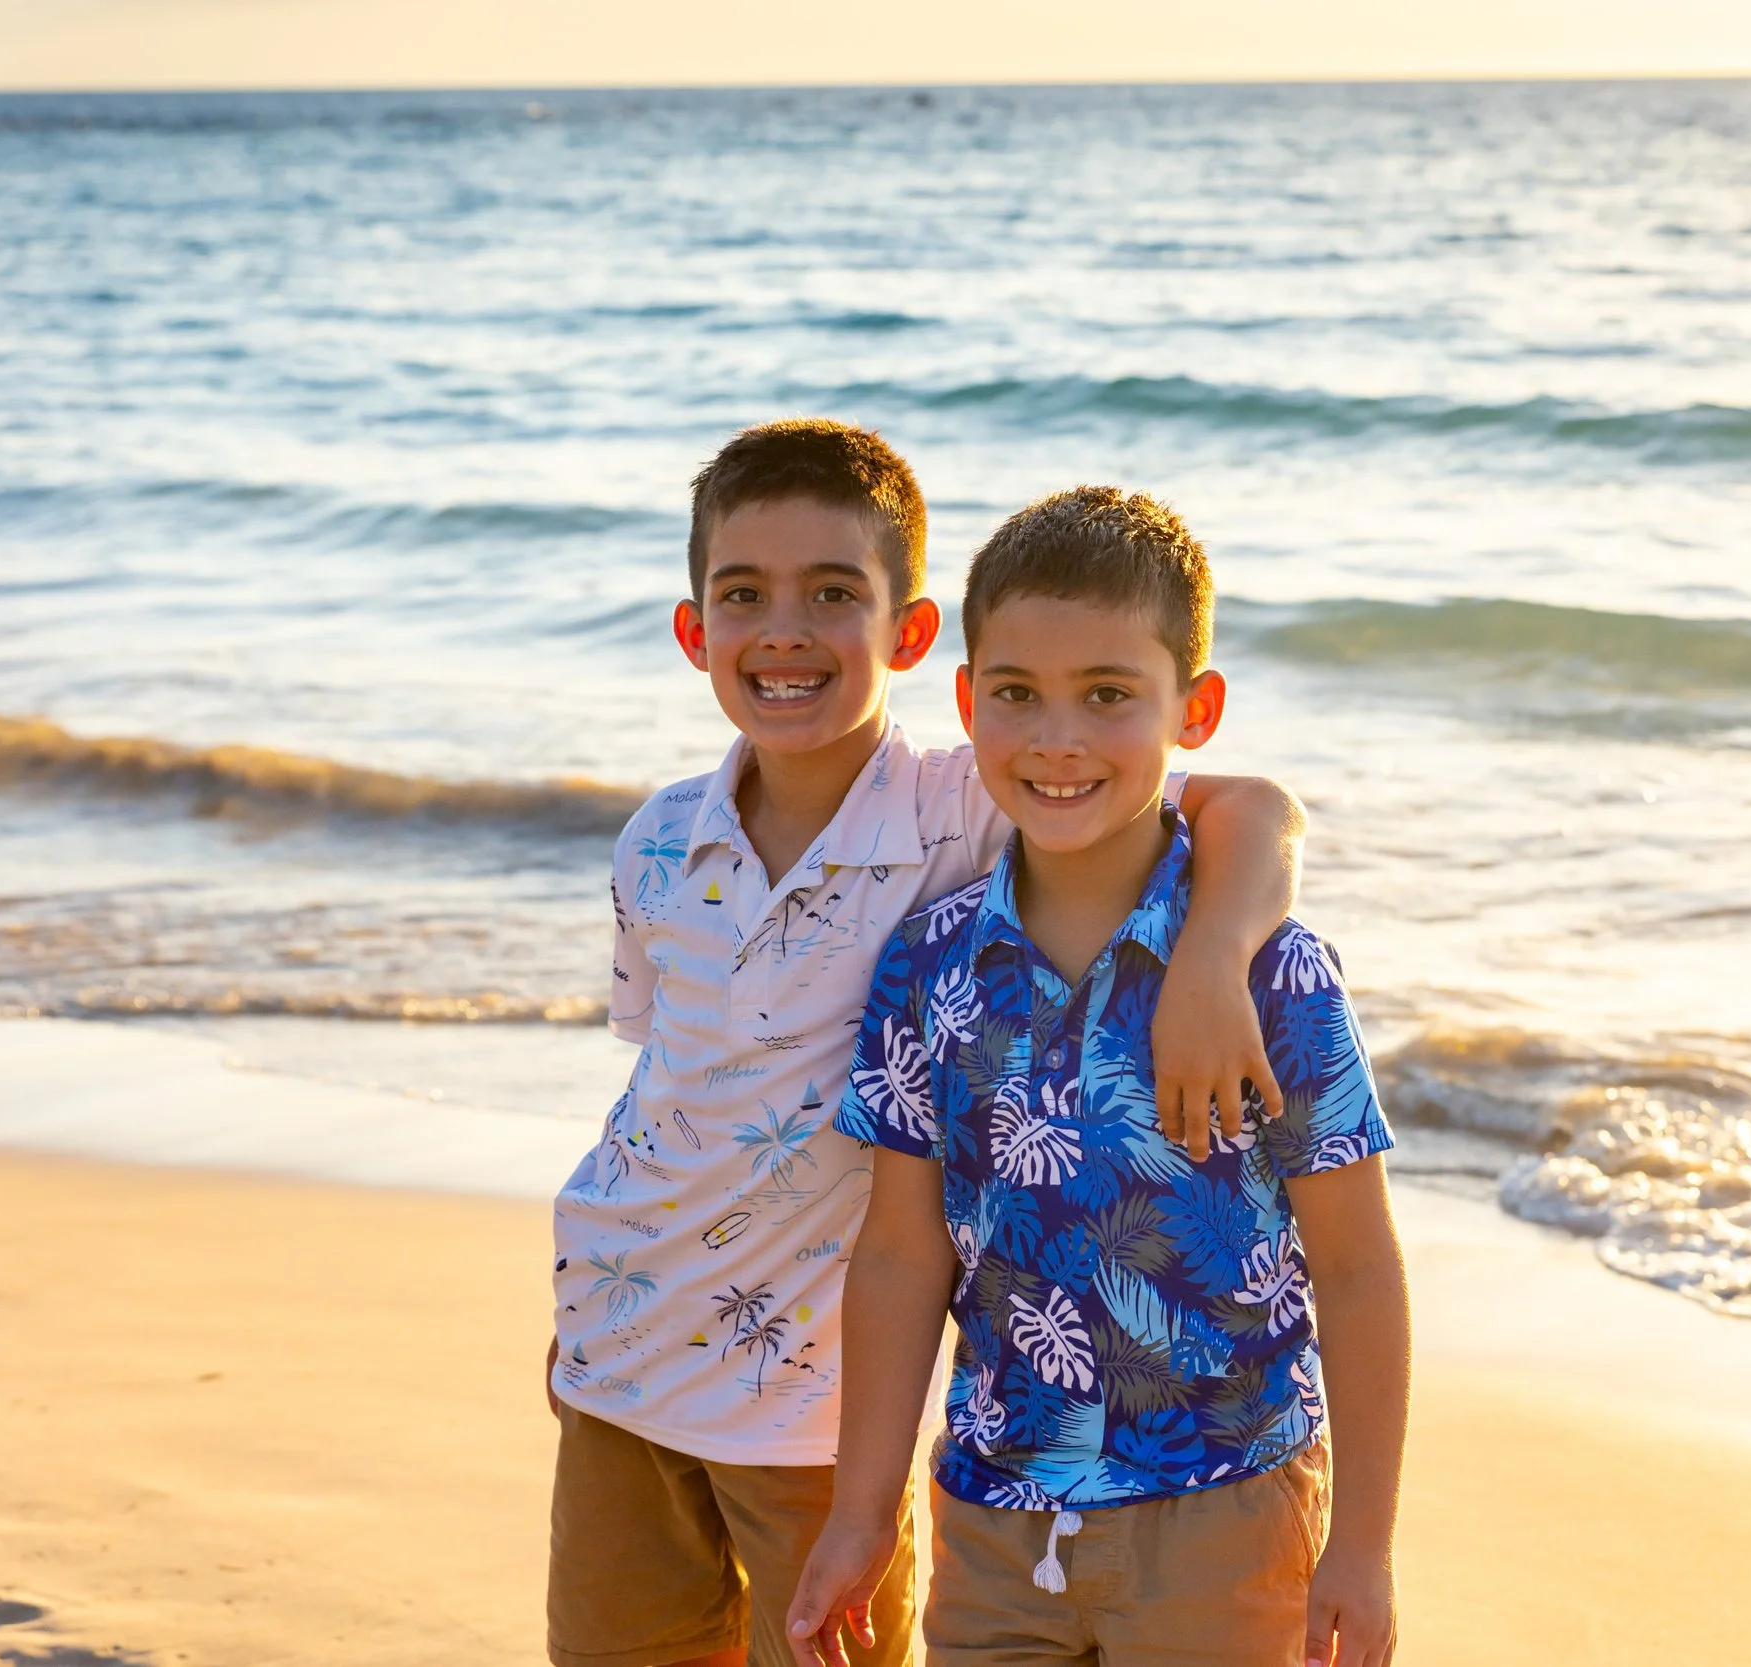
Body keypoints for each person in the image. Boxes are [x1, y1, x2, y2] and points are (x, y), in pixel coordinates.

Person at [545, 425, 1312, 1667]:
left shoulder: (972, 800)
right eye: (743, 596)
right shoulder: (654, 839)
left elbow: (1249, 805)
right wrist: (589, 1291)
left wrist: (1216, 955)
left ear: (908, 635)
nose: (784, 632)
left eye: (832, 595)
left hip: (809, 1401)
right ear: (695, 633)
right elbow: (668, 1082)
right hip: (615, 1346)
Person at [789, 486, 1410, 1667]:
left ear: (1196, 711)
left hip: (1226, 1510)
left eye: (1110, 696)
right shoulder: (927, 965)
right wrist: (863, 1511)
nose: (1057, 738)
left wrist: (1365, 1544)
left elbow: (1359, 1261)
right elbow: (900, 1252)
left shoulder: (1272, 973)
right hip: (993, 1512)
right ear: (968, 702)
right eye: (1017, 694)